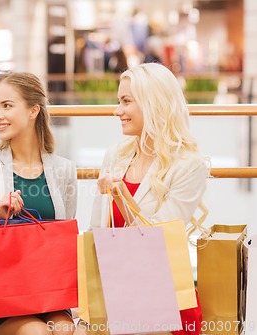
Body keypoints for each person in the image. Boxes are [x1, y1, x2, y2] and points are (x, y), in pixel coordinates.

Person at [83, 63, 207, 335]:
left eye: (126, 101)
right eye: (118, 101)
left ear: (154, 103)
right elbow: (97, 232)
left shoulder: (190, 165)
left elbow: (158, 241)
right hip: (116, 289)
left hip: (163, 298)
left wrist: (122, 196)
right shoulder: (116, 155)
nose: (118, 111)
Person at [0, 71, 77, 335]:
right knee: (36, 332)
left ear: (33, 110)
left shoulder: (64, 169)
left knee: (67, 330)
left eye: (7, 106)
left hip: (47, 291)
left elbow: (63, 239)